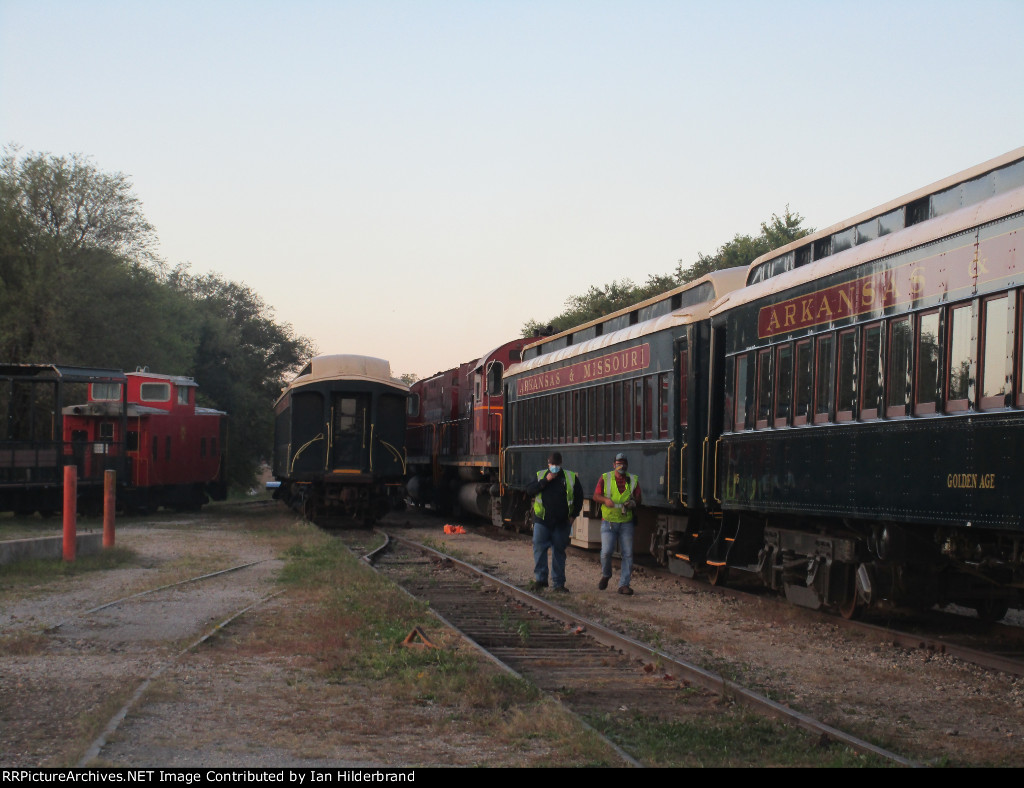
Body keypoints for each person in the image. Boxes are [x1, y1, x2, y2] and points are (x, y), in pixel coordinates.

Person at [525, 451, 584, 593]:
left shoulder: (570, 478)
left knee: (559, 552)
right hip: (542, 521)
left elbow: (579, 498)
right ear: (548, 463)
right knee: (539, 548)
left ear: (560, 464)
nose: (554, 467)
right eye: (552, 465)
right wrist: (546, 480)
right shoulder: (541, 475)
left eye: (556, 465)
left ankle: (558, 584)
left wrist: (573, 516)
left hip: (562, 522)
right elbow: (529, 490)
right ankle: (541, 580)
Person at [593, 452, 641, 595]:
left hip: (626, 522)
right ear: (614, 465)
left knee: (628, 554)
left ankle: (624, 585)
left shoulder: (633, 480)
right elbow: (596, 496)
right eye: (619, 463)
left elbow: (639, 498)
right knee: (606, 552)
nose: (621, 466)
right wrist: (605, 500)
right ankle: (606, 574)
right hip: (609, 522)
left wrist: (633, 502)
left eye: (624, 463)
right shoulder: (605, 478)